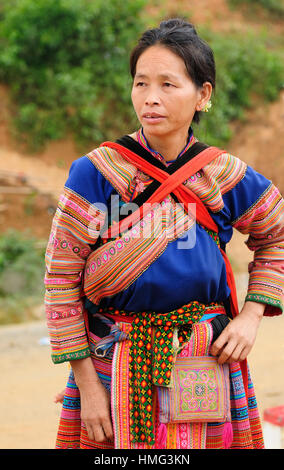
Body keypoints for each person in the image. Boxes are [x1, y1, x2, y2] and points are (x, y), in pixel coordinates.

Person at [45, 18, 284, 449]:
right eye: (140, 83)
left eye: (168, 85)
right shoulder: (98, 173)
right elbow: (60, 278)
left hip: (203, 358)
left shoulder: (223, 176)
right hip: (112, 361)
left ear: (203, 95)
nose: (150, 98)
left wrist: (251, 317)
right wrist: (87, 386)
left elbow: (276, 236)